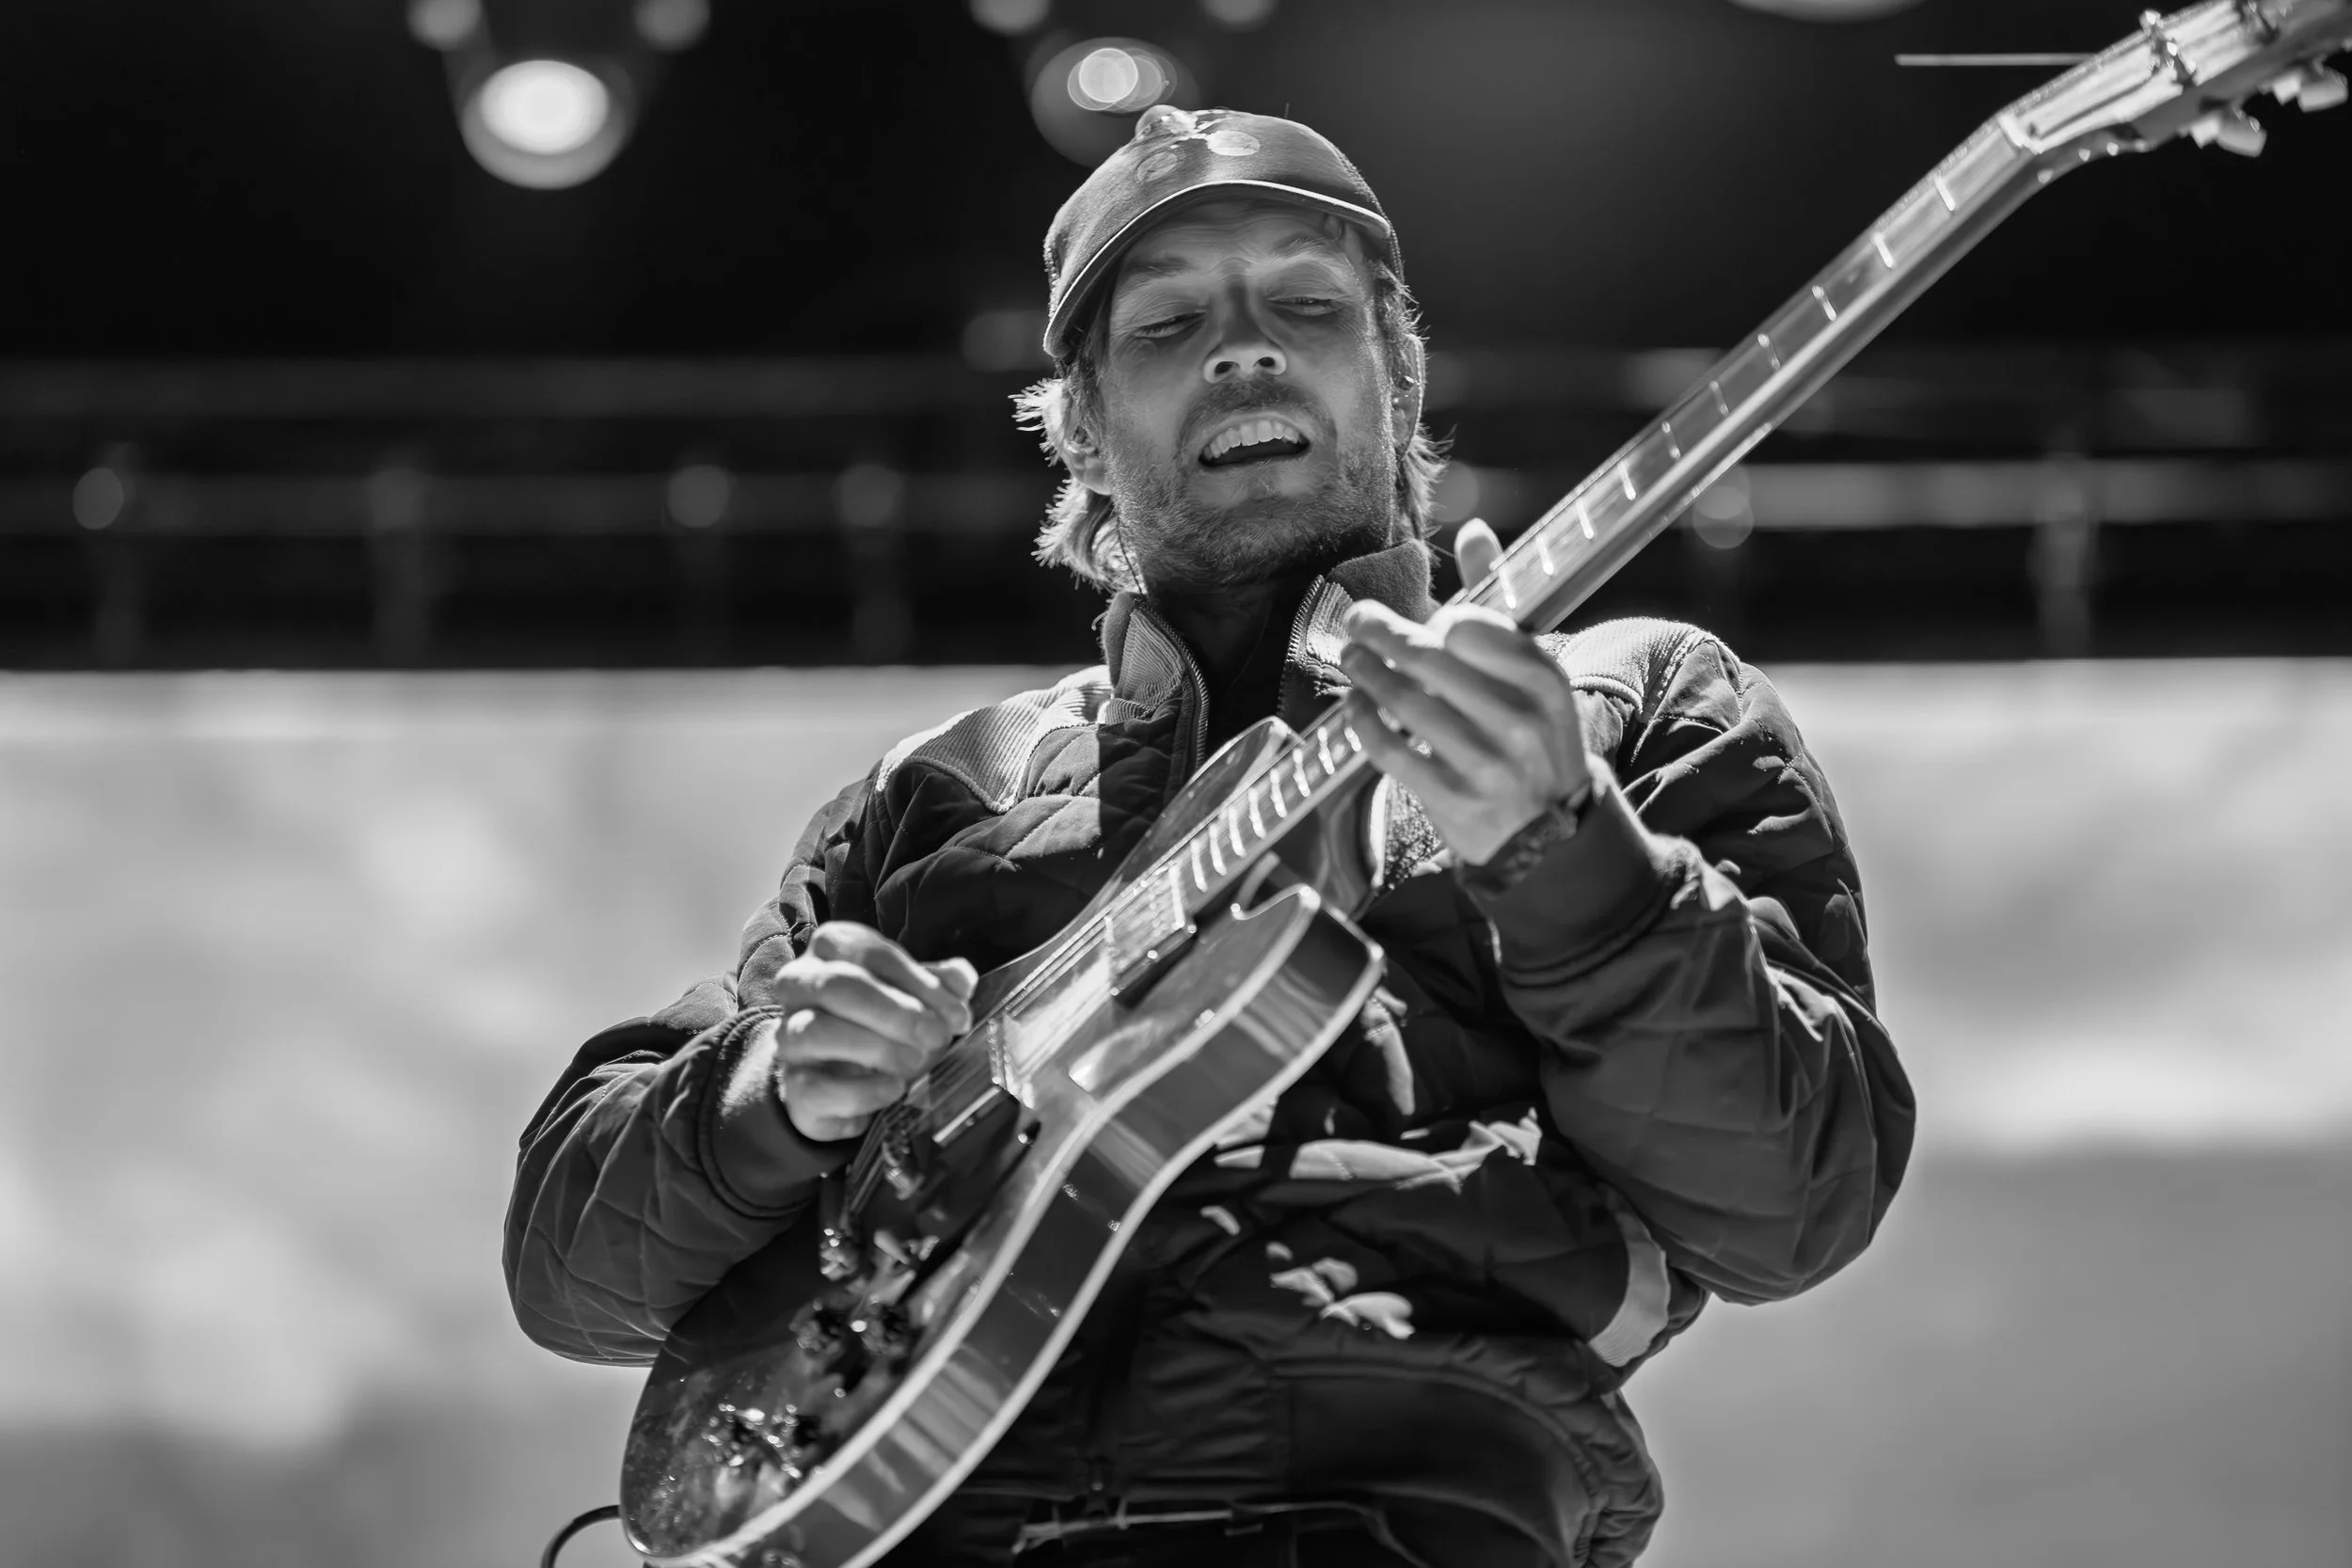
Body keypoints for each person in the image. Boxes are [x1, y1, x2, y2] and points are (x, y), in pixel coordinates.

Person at [504, 107, 1915, 1568]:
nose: (1245, 349)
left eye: (1308, 305)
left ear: (1397, 375)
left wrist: (1569, 861)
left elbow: (1787, 1200)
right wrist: (773, 1096)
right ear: (1083, 430)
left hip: (1394, 1509)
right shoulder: (939, 791)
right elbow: (570, 1269)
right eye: (1170, 324)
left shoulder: (1623, 701)